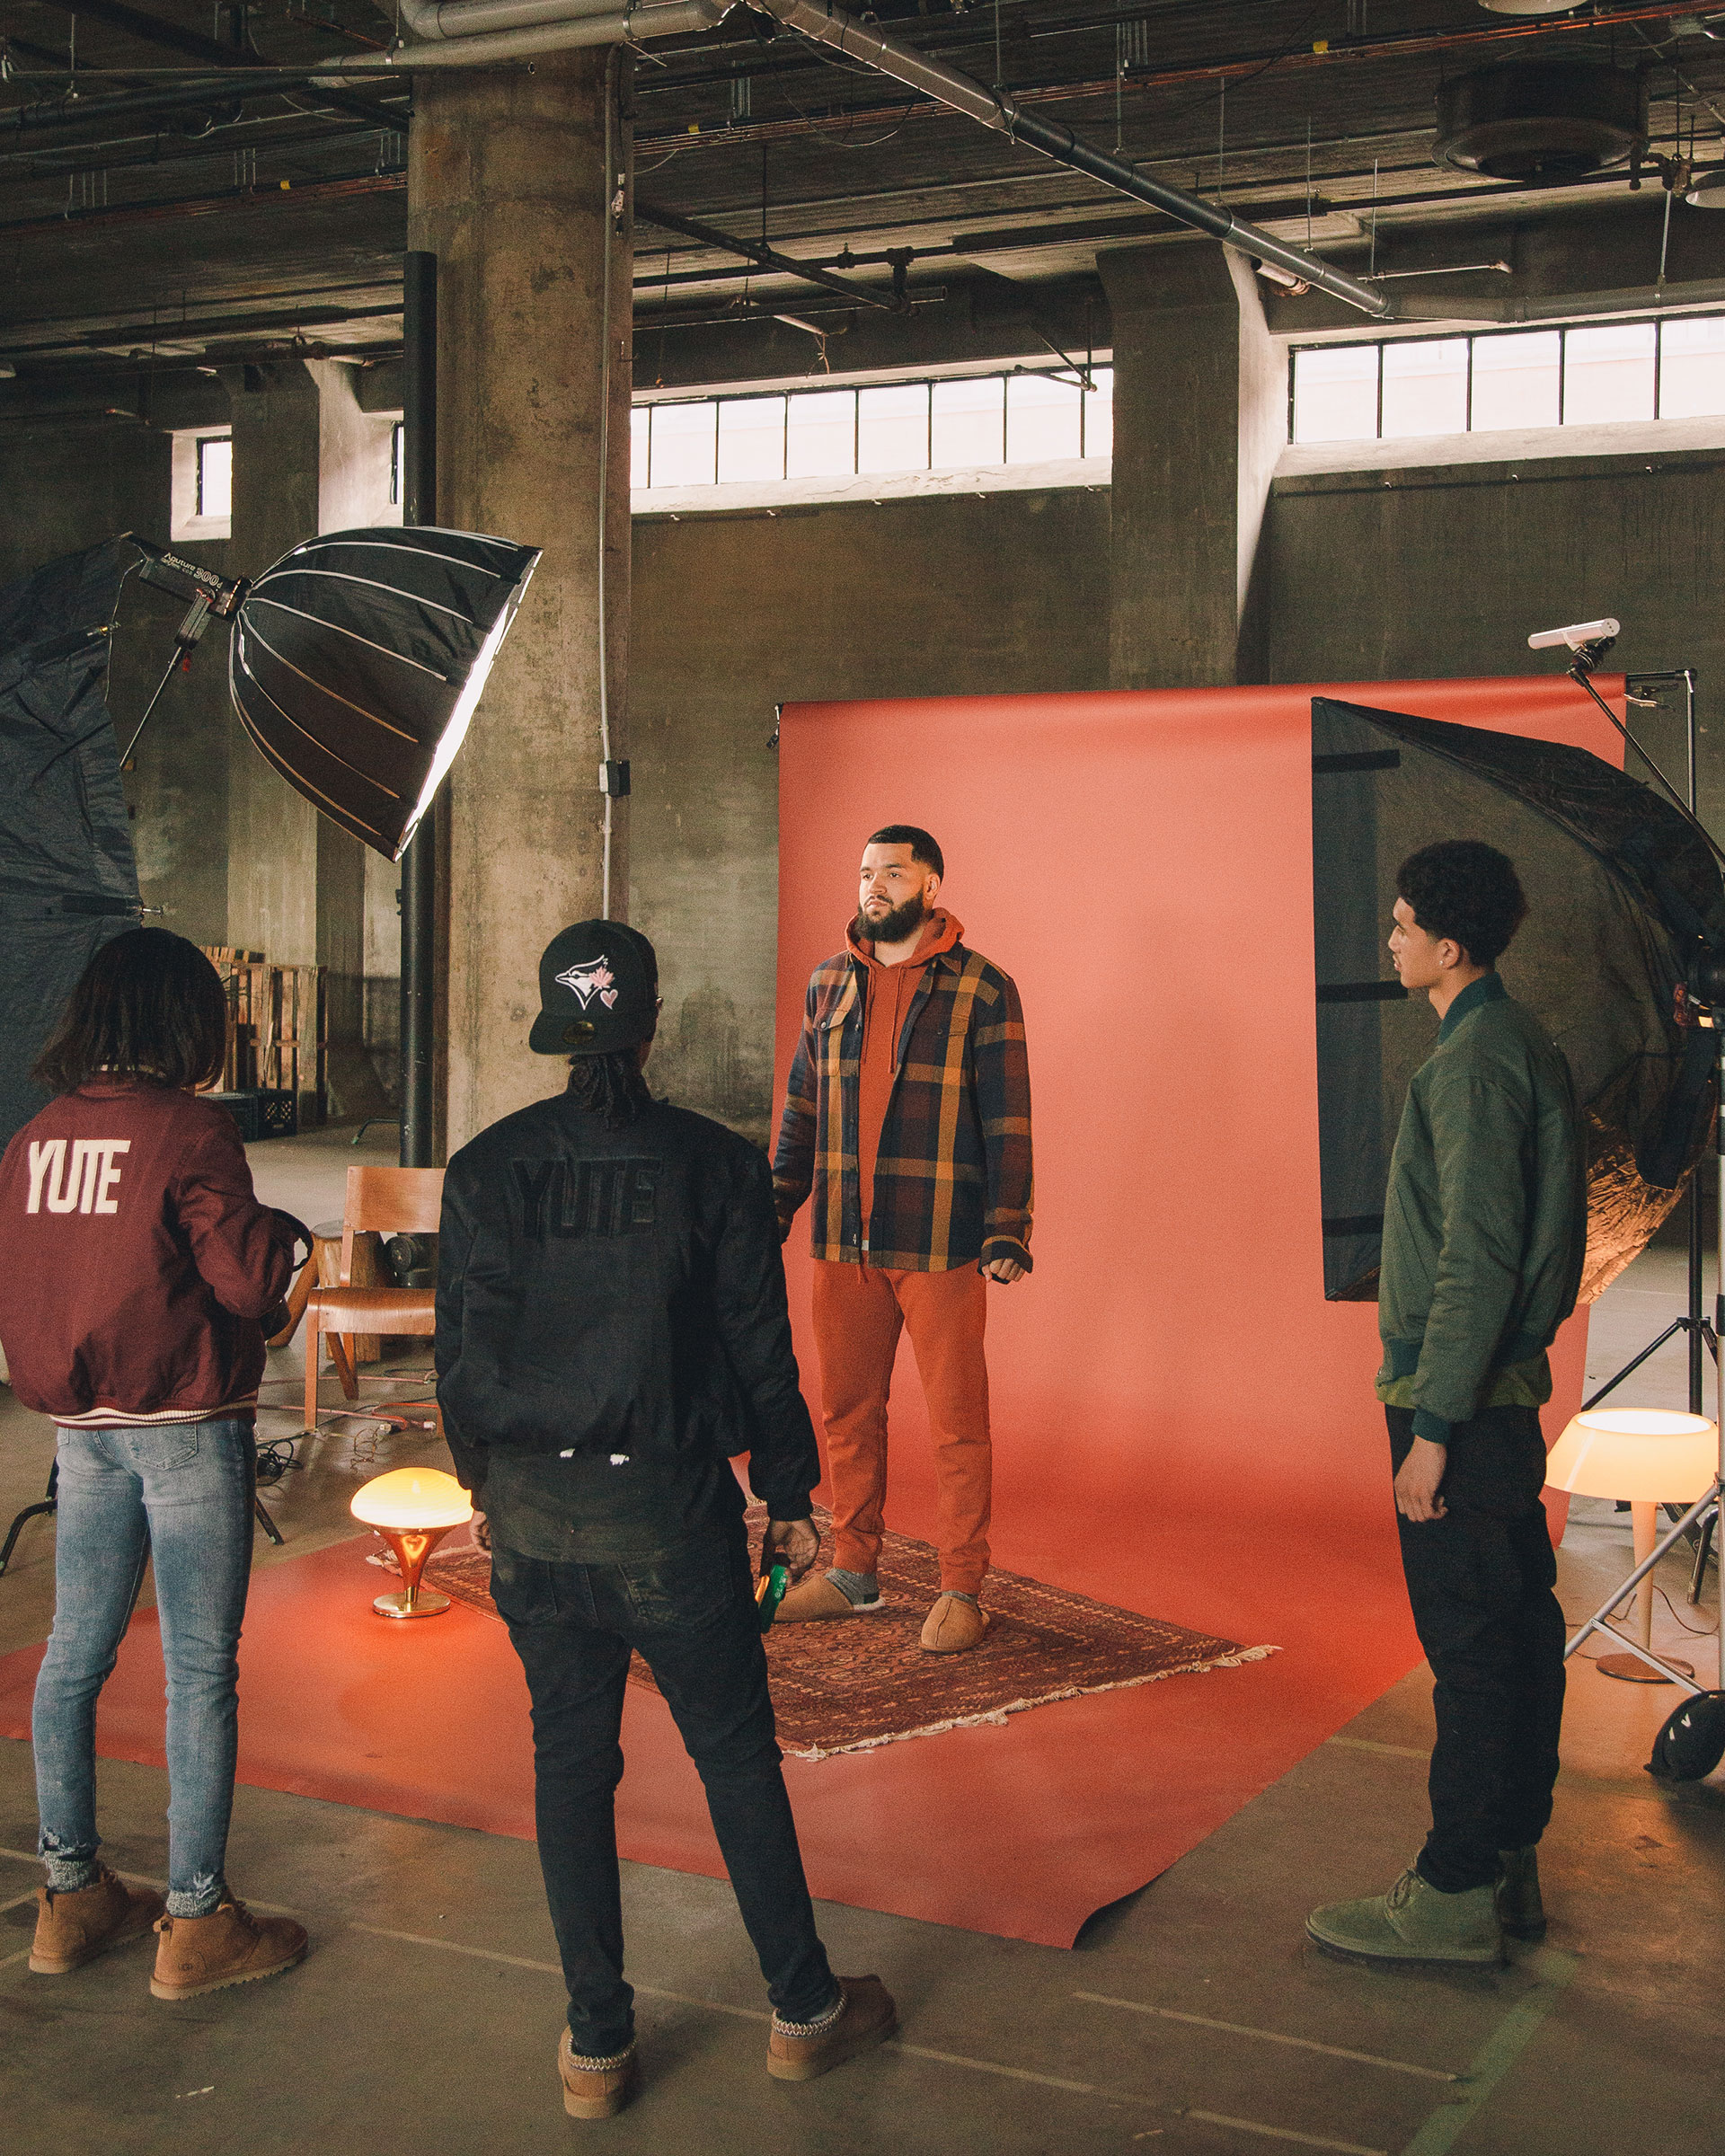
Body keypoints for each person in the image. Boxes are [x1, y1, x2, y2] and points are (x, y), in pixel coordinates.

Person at [435, 920, 895, 2122]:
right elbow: (759, 1349)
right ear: (651, 1025)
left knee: (569, 1769)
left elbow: (453, 1364)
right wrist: (788, 1497)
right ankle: (804, 2013)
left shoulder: (485, 1168)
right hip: (668, 1520)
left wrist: (491, 1491)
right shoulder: (712, 1165)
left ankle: (596, 2049)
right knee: (736, 1758)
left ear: (552, 1025)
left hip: (536, 1524)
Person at [0, 928, 309, 2000]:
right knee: (197, 1670)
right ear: (182, 1018)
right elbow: (241, 1283)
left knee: (70, 1658)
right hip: (184, 1424)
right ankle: (195, 1919)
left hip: (78, 1436)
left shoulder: (35, 1137)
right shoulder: (191, 1131)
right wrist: (289, 1243)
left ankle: (69, 1893)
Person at [1307, 841, 1586, 1969]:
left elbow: (1474, 1255)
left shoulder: (1472, 1066)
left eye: (1402, 923)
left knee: (1472, 1650)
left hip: (1458, 1402)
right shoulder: (1516, 1042)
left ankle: (1455, 1891)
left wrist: (1430, 1432)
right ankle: (1508, 1859)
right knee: (1522, 1630)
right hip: (1500, 1397)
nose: (1391, 940)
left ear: (1448, 947)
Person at [771, 826, 1032, 1655]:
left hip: (941, 1241)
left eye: (892, 872)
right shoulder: (826, 983)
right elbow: (802, 1108)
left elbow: (1010, 1119)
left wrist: (1007, 1229)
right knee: (847, 1410)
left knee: (957, 1423)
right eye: (864, 873)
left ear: (932, 883)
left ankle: (963, 1587)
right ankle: (853, 1572)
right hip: (842, 1242)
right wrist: (775, 1205)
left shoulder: (983, 987)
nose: (873, 886)